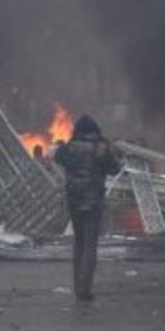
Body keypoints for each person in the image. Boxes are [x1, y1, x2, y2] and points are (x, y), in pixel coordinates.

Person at [54, 115, 122, 301]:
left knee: (79, 242)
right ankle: (85, 288)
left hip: (74, 200)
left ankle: (77, 285)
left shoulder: (70, 148)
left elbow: (57, 156)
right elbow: (115, 168)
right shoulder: (101, 149)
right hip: (93, 201)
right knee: (90, 245)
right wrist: (110, 148)